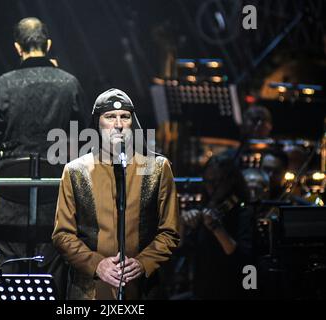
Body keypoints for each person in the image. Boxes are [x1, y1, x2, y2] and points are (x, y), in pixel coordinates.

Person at [0, 17, 89, 298]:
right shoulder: (69, 83)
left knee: (9, 254)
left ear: (18, 47)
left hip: (11, 185)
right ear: (48, 45)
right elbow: (84, 135)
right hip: (55, 185)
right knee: (53, 251)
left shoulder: (4, 83)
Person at [52, 88, 180, 300]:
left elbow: (170, 231)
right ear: (97, 122)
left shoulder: (158, 168)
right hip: (88, 291)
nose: (118, 124)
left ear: (132, 122)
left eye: (125, 117)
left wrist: (143, 263)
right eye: (110, 117)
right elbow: (62, 234)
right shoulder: (75, 171)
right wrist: (96, 264)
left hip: (142, 290)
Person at [180, 154, 254, 299]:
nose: (211, 187)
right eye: (207, 182)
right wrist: (183, 224)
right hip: (203, 290)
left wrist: (217, 228)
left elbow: (242, 259)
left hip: (231, 291)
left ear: (232, 181)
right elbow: (183, 249)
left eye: (216, 182)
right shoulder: (205, 208)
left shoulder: (243, 212)